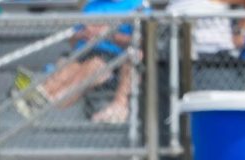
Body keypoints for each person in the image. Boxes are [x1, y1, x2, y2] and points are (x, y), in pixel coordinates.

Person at [12, 0, 145, 123]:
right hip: (83, 51)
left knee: (94, 66)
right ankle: (39, 97)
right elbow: (73, 39)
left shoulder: (137, 5)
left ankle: (46, 103)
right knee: (67, 68)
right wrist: (83, 34)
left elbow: (144, 41)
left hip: (112, 55)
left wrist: (108, 35)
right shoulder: (92, 5)